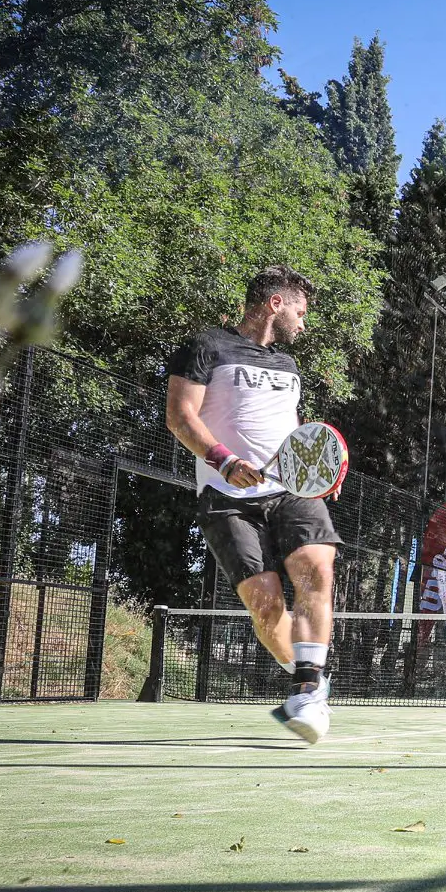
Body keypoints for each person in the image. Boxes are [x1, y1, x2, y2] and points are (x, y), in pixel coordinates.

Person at [165, 265, 340, 743]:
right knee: (266, 611)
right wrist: (223, 461)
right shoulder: (206, 346)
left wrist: (322, 468)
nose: (303, 323)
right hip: (225, 495)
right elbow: (179, 416)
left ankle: (306, 691)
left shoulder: (287, 366)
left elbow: (292, 428)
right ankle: (313, 678)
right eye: (300, 311)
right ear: (275, 304)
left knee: (316, 569)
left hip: (290, 490)